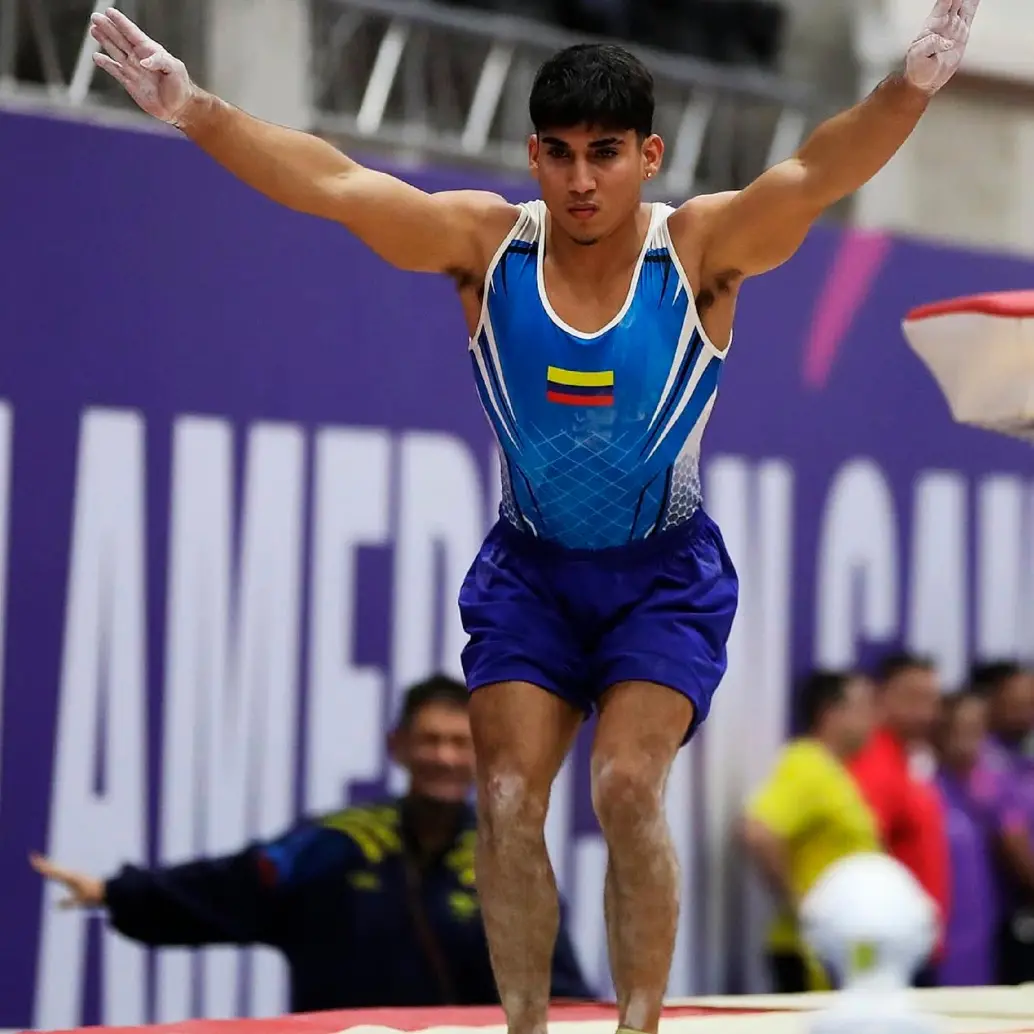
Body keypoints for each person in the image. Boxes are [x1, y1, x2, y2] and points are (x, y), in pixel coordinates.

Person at [86, 3, 980, 1031]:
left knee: (626, 788)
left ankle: (637, 1024)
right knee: (505, 800)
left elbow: (818, 173)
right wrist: (194, 109)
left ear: (648, 154)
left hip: (662, 574)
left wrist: (906, 87)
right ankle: (525, 1027)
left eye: (604, 154)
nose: (580, 181)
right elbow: (332, 184)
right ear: (532, 155)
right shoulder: (485, 245)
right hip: (528, 574)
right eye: (556, 156)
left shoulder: (696, 251)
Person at [30, 675, 592, 1012]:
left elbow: (558, 990)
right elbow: (230, 887)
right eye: (429, 740)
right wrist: (116, 891)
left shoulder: (510, 860)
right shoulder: (334, 844)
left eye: (459, 743)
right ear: (397, 746)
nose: (444, 757)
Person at [741, 670, 879, 993]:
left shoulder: (835, 771)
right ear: (831, 712)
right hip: (810, 951)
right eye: (863, 707)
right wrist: (801, 905)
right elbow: (759, 830)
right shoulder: (808, 764)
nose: (874, 718)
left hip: (837, 947)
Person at [848, 652, 950, 987]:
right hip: (887, 946)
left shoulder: (914, 761)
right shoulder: (876, 763)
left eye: (932, 700)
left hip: (915, 939)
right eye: (913, 698)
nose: (926, 712)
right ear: (881, 698)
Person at [933, 690, 1034, 987]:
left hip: (986, 923)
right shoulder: (929, 785)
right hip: (945, 922)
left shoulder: (994, 784)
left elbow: (1013, 840)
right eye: (960, 727)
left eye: (976, 728)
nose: (968, 737)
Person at [970, 661, 1034, 984]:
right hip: (1010, 916)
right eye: (1019, 701)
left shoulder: (1022, 759)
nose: (1028, 711)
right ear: (992, 700)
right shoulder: (985, 761)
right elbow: (1011, 838)